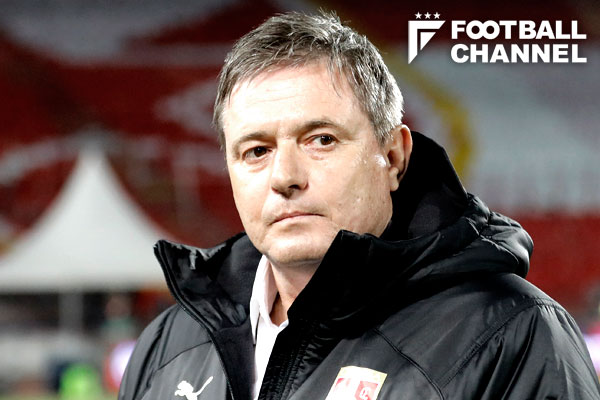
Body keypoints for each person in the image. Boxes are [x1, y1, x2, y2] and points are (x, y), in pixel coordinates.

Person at [119, 11, 600, 400]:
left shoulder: (513, 335)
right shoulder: (167, 345)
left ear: (393, 157)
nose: (285, 177)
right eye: (256, 151)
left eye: (321, 139)